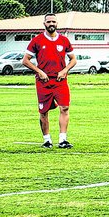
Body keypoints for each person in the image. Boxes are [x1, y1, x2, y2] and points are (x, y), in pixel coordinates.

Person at [21, 13, 77, 149]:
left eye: (53, 22)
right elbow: (25, 60)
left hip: (60, 81)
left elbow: (73, 59)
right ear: (44, 23)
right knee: (43, 112)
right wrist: (39, 71)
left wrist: (64, 71)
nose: (51, 24)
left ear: (57, 24)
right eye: (49, 22)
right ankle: (47, 140)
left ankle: (63, 140)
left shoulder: (64, 40)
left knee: (65, 107)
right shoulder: (37, 41)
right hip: (43, 82)